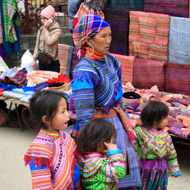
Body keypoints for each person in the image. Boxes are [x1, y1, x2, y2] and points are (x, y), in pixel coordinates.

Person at [70, 13, 141, 188]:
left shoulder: (112, 62)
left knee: (123, 172)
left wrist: (125, 120)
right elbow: (84, 114)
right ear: (88, 40)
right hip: (97, 131)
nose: (108, 40)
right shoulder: (84, 71)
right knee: (101, 177)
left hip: (116, 126)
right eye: (103, 36)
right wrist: (93, 144)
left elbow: (119, 98)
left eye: (110, 35)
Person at [24, 90, 80, 189]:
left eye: (67, 110)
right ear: (46, 120)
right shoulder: (39, 149)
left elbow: (74, 161)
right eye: (63, 112)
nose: (68, 115)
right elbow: (41, 185)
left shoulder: (65, 137)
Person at [131, 101, 182, 190]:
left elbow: (171, 153)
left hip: (161, 170)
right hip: (144, 169)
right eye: (165, 118)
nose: (168, 120)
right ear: (155, 120)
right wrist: (131, 166)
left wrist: (174, 169)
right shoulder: (139, 132)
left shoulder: (166, 135)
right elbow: (131, 148)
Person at [78, 119, 126, 189]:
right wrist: (115, 153)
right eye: (111, 141)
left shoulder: (87, 158)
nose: (112, 144)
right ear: (102, 143)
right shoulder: (97, 164)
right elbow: (119, 172)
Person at [32, 5, 62, 72]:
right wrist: (34, 59)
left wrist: (45, 29)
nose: (42, 21)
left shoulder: (57, 30)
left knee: (53, 81)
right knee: (43, 81)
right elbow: (37, 45)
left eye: (44, 18)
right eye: (41, 18)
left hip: (52, 61)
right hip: (42, 59)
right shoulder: (41, 29)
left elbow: (49, 42)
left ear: (50, 19)